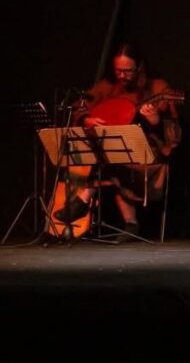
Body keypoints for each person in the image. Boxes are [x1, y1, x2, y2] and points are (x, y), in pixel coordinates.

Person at [53, 43, 181, 242]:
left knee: (112, 160)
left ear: (139, 67)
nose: (122, 75)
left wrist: (155, 121)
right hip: (116, 152)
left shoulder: (156, 87)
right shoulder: (108, 87)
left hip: (146, 157)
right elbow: (80, 106)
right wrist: (87, 119)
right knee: (111, 157)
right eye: (118, 70)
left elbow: (172, 129)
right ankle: (130, 224)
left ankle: (83, 200)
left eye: (127, 71)